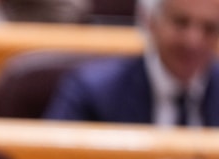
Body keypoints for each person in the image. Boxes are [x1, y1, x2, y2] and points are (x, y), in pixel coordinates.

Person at [44, 0, 219, 126]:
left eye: (210, 28)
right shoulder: (91, 93)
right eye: (181, 23)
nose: (193, 41)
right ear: (149, 20)